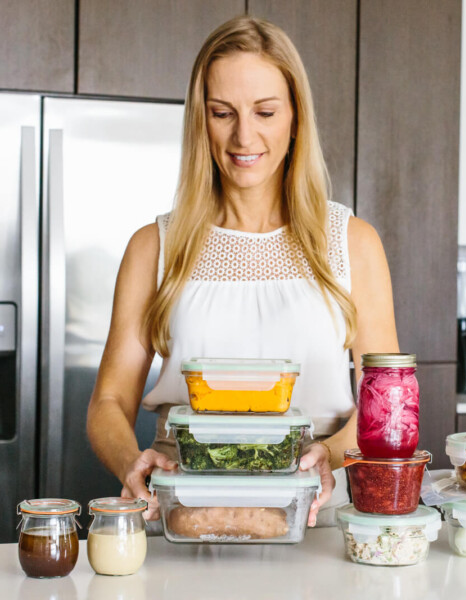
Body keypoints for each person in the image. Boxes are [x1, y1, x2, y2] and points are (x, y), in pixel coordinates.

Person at [87, 15, 399, 527]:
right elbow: (108, 400)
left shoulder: (352, 243)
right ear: (199, 120)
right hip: (183, 510)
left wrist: (335, 452)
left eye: (265, 111)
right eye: (222, 112)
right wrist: (131, 462)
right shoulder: (154, 248)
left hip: (316, 511)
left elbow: (385, 402)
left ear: (296, 116)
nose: (244, 135)